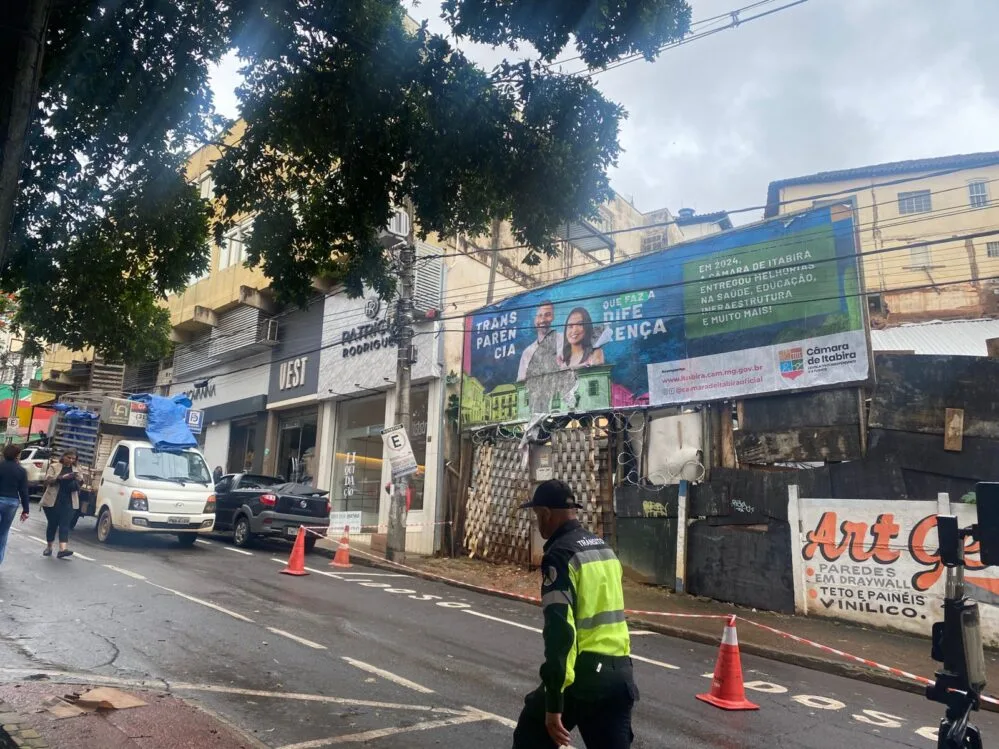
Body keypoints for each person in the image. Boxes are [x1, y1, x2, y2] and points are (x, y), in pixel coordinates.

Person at [514, 479, 637, 748]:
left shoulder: (560, 555)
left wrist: (554, 701)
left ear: (545, 514)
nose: (537, 523)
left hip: (584, 676)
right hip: (620, 675)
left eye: (537, 516)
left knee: (530, 734)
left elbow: (561, 634)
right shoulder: (603, 549)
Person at [40, 449, 81, 559]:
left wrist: (77, 478)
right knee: (52, 524)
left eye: (73, 459)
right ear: (63, 457)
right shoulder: (54, 466)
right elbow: (47, 480)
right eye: (69, 457)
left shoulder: (76, 469)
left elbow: (81, 482)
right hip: (53, 500)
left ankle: (62, 550)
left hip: (69, 501)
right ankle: (49, 547)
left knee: (65, 524)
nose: (71, 460)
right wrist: (61, 478)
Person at [0, 443, 30, 567]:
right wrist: (26, 510)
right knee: (3, 533)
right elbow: (24, 491)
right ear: (17, 455)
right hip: (11, 503)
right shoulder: (21, 471)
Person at [517, 301, 562, 382]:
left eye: (547, 315)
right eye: (539, 316)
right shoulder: (527, 353)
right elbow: (521, 383)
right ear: (535, 320)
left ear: (553, 317)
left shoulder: (564, 340)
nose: (542, 320)